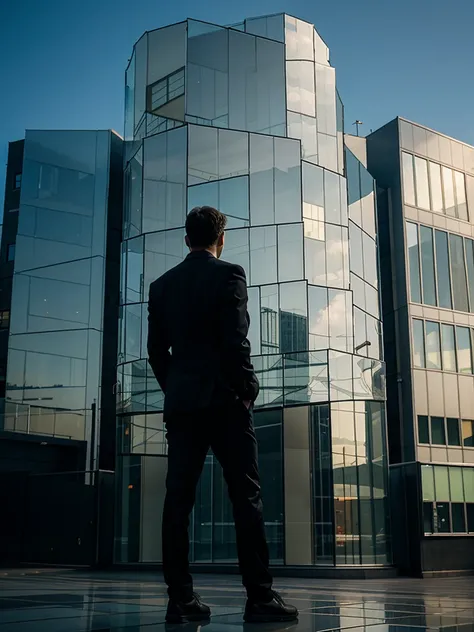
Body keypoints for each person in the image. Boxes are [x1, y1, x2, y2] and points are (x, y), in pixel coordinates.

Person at [148, 206, 298, 625]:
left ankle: (180, 599)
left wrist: (175, 390)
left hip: (182, 406)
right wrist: (247, 389)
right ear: (222, 238)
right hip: (226, 402)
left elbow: (157, 353)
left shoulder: (161, 287)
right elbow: (236, 340)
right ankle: (260, 597)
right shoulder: (229, 274)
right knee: (245, 497)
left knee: (177, 502)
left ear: (186, 239)